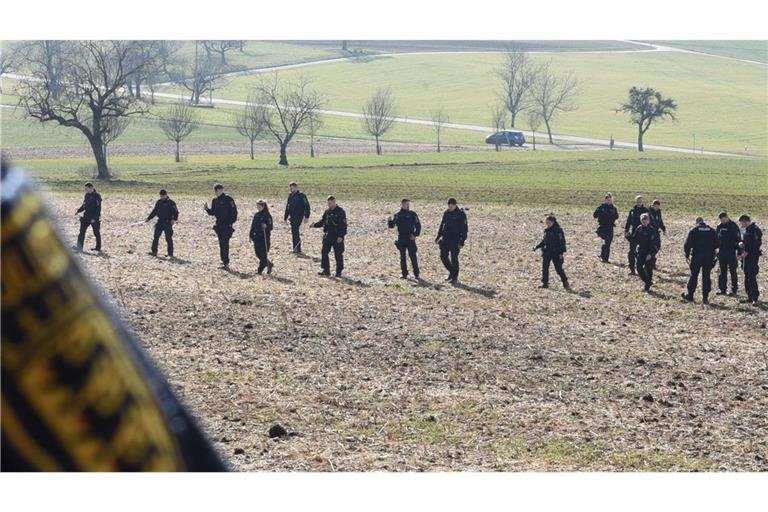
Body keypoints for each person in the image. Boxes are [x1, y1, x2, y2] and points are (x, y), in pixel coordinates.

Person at [681, 217, 718, 304]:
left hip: (697, 256)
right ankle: (705, 298)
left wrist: (687, 255)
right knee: (706, 276)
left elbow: (687, 244)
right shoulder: (712, 231)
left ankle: (690, 295)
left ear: (697, 223)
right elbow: (717, 244)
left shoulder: (694, 230)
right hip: (709, 257)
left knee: (694, 275)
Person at [204, 184, 238, 269]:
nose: (217, 192)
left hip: (227, 225)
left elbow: (234, 212)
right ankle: (223, 261)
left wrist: (231, 222)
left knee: (224, 242)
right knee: (221, 243)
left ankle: (226, 262)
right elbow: (213, 212)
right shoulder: (215, 201)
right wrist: (207, 209)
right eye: (216, 190)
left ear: (222, 190)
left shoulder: (228, 199)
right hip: (219, 225)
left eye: (219, 190)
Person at [311, 196, 347, 277]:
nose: (329, 205)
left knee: (338, 254)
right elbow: (323, 221)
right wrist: (314, 225)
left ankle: (339, 271)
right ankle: (326, 270)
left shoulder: (340, 212)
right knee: (324, 252)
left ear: (334, 202)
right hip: (328, 235)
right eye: (328, 203)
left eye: (330, 203)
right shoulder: (327, 211)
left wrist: (341, 236)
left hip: (337, 236)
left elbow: (343, 225)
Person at [435, 197, 468, 283]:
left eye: (451, 207)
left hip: (455, 239)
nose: (450, 208)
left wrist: (462, 241)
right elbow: (442, 225)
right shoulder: (446, 213)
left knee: (454, 258)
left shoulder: (461, 214)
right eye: (449, 206)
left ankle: (454, 277)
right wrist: (438, 236)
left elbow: (464, 229)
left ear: (455, 205)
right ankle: (451, 271)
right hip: (445, 238)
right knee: (443, 256)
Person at [387, 198, 421, 280]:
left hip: (410, 238)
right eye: (406, 204)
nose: (407, 206)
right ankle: (404, 274)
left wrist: (415, 234)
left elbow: (418, 226)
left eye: (408, 204)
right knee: (402, 257)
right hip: (401, 238)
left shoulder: (413, 214)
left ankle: (416, 274)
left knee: (413, 256)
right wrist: (389, 221)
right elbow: (392, 226)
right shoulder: (398, 215)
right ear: (402, 205)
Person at [534, 214, 569, 290]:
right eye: (546, 223)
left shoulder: (558, 231)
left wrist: (561, 253)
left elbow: (562, 242)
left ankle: (565, 282)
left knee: (558, 269)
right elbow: (544, 241)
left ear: (553, 222)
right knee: (545, 268)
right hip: (547, 252)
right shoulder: (546, 231)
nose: (547, 224)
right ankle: (545, 283)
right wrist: (537, 246)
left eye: (549, 223)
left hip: (556, 252)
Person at [145, 189, 179, 258]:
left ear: (166, 195)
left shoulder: (171, 203)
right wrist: (149, 218)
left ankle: (170, 254)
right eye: (160, 196)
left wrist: (174, 219)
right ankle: (154, 252)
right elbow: (154, 211)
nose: (161, 197)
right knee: (156, 237)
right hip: (160, 222)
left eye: (163, 196)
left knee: (168, 238)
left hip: (167, 223)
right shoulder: (159, 202)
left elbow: (176, 212)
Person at [715, 212, 741, 296]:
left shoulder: (733, 226)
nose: (722, 221)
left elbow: (738, 239)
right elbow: (716, 238)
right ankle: (722, 289)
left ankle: (734, 290)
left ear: (727, 217)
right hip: (722, 252)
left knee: (733, 271)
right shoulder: (719, 226)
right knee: (722, 271)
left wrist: (739, 252)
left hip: (731, 252)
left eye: (724, 219)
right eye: (721, 220)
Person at [738, 214, 762, 306]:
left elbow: (756, 244)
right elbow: (746, 242)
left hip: (752, 257)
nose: (741, 225)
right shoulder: (747, 231)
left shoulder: (755, 230)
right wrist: (741, 243)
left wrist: (748, 252)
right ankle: (749, 296)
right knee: (747, 276)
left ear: (745, 221)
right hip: (746, 258)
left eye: (741, 223)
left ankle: (755, 298)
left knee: (751, 277)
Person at [632, 213, 659, 292]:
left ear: (648, 221)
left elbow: (653, 243)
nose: (644, 222)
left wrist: (651, 254)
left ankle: (647, 286)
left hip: (649, 252)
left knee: (649, 269)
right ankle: (647, 281)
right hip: (641, 251)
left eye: (646, 220)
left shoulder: (651, 230)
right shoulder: (639, 228)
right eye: (643, 220)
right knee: (639, 267)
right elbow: (634, 239)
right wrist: (628, 237)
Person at [624, 195, 649, 275]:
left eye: (640, 202)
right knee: (631, 252)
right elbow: (628, 222)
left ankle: (644, 268)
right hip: (634, 234)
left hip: (644, 234)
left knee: (643, 252)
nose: (639, 203)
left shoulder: (646, 211)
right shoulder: (632, 211)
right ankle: (632, 269)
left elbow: (650, 222)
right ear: (636, 202)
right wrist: (626, 230)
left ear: (642, 202)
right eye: (638, 202)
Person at [74, 182, 102, 252]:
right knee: (81, 232)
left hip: (93, 218)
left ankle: (98, 248)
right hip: (86, 216)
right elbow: (84, 205)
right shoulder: (86, 195)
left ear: (91, 188)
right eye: (85, 189)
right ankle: (79, 247)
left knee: (96, 232)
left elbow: (98, 209)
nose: (85, 190)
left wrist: (95, 218)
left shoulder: (97, 196)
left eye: (86, 189)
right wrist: (78, 211)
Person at [284, 182, 311, 254]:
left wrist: (307, 216)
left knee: (295, 231)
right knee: (294, 232)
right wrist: (285, 217)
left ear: (296, 187)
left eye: (292, 188)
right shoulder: (290, 196)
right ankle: (295, 248)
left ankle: (297, 249)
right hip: (292, 217)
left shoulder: (302, 196)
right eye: (290, 188)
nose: (291, 189)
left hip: (299, 216)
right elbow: (288, 207)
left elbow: (307, 206)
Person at [249, 200, 274, 275]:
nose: (258, 208)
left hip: (264, 238)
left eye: (259, 207)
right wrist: (250, 235)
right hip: (256, 237)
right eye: (257, 207)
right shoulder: (256, 215)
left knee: (263, 254)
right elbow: (253, 226)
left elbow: (271, 227)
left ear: (263, 206)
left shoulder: (267, 215)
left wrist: (266, 226)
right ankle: (269, 264)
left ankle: (260, 270)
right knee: (257, 254)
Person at [593, 193, 619, 263]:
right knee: (605, 242)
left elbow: (617, 216)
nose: (609, 201)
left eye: (610, 200)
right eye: (607, 200)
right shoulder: (601, 207)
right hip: (602, 228)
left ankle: (606, 258)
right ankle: (602, 257)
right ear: (605, 200)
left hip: (610, 228)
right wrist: (600, 211)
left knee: (608, 243)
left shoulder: (614, 208)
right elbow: (595, 215)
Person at [649, 199, 666, 266]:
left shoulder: (658, 212)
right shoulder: (649, 212)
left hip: (656, 232)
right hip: (650, 232)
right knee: (652, 247)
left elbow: (660, 221)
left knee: (658, 246)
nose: (656, 208)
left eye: (658, 206)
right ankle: (651, 262)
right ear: (652, 205)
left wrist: (663, 229)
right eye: (655, 206)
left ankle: (652, 258)